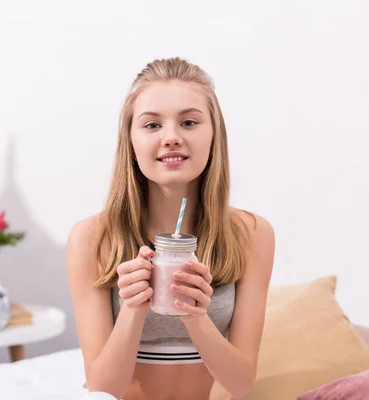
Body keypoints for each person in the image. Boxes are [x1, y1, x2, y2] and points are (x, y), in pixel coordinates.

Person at [66, 57, 275, 400]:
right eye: (152, 126)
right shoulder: (91, 239)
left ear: (213, 133)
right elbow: (103, 388)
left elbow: (241, 384)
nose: (171, 138)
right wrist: (133, 308)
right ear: (130, 139)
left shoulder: (251, 234)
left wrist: (196, 316)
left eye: (189, 122)